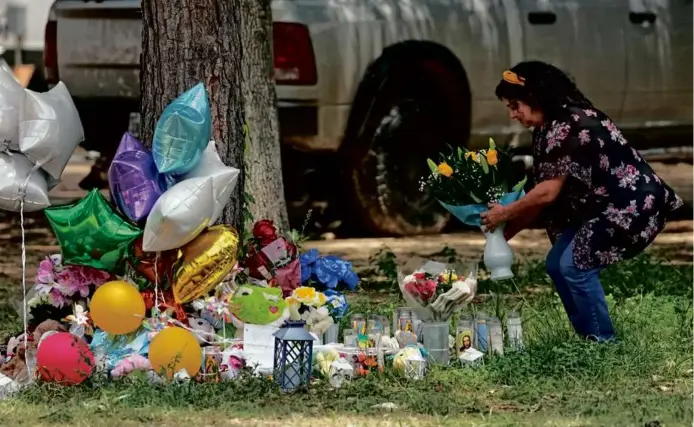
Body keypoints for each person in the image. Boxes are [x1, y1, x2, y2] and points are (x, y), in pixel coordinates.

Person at [480, 61, 683, 342]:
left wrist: (504, 213)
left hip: (628, 205)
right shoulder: (548, 128)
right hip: (598, 208)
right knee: (556, 264)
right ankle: (588, 336)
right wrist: (503, 234)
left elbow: (548, 191)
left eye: (516, 105)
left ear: (535, 97)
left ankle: (602, 341)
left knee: (574, 265)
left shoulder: (569, 124)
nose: (514, 114)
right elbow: (541, 196)